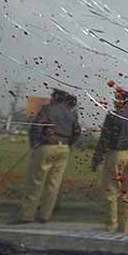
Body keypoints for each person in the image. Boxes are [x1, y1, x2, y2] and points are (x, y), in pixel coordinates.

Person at [16, 88, 81, 223]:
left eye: (52, 96)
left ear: (56, 97)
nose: (51, 98)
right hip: (64, 148)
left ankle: (26, 216)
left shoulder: (48, 109)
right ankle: (44, 216)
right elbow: (77, 131)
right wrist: (68, 144)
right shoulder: (72, 112)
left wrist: (34, 143)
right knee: (54, 184)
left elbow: (37, 126)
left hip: (46, 146)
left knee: (36, 182)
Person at [92, 90, 128, 234]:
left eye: (117, 99)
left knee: (111, 189)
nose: (115, 101)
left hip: (117, 154)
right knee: (127, 192)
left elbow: (104, 139)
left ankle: (112, 224)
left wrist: (97, 158)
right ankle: (124, 226)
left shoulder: (113, 115)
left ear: (123, 101)